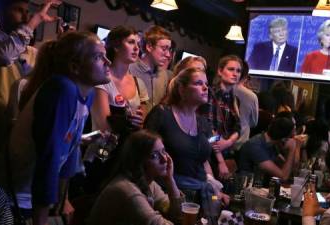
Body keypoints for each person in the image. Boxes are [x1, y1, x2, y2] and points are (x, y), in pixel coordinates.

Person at [0, 31, 111, 225]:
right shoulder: (61, 89)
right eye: (98, 57)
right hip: (10, 199)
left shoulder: (88, 94)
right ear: (75, 67)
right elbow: (49, 158)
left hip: (32, 198)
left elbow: (68, 152)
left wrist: (64, 199)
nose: (108, 62)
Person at [145, 67, 229, 219]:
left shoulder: (204, 122)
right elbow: (144, 157)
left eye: (206, 83)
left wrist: (216, 189)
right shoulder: (162, 114)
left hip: (201, 195)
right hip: (169, 193)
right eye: (198, 83)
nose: (205, 88)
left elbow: (203, 161)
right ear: (182, 89)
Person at [0, 0, 61, 164]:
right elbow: (5, 56)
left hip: (23, 131)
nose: (26, 16)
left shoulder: (31, 52)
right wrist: (35, 21)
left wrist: (63, 43)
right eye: (19, 10)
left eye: (27, 12)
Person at [88, 130, 183, 225]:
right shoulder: (127, 190)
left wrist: (170, 180)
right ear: (139, 161)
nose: (165, 159)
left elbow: (177, 215)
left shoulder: (149, 184)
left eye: (163, 151)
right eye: (154, 155)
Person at [91, 25, 149, 138]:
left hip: (129, 148)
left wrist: (139, 120)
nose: (137, 48)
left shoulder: (139, 83)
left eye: (138, 44)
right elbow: (104, 127)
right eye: (131, 42)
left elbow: (143, 124)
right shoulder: (102, 80)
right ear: (116, 46)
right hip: (103, 149)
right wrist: (128, 121)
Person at [203, 55, 242, 179]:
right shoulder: (209, 93)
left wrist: (228, 141)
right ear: (220, 71)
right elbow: (209, 128)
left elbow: (238, 128)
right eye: (231, 69)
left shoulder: (235, 99)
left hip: (226, 150)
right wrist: (220, 160)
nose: (235, 74)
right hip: (210, 152)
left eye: (238, 71)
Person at [238, 117, 298, 184]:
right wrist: (292, 149)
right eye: (291, 137)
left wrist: (290, 150)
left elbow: (290, 171)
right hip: (246, 188)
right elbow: (283, 176)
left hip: (259, 187)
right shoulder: (256, 145)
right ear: (284, 139)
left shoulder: (272, 144)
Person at [129, 25, 172, 111]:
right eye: (164, 49)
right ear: (149, 47)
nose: (168, 55)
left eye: (169, 49)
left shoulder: (165, 75)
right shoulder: (129, 70)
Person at [233, 61, 258, 150]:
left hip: (219, 142)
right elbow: (254, 123)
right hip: (240, 144)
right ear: (246, 75)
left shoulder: (220, 90)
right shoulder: (252, 96)